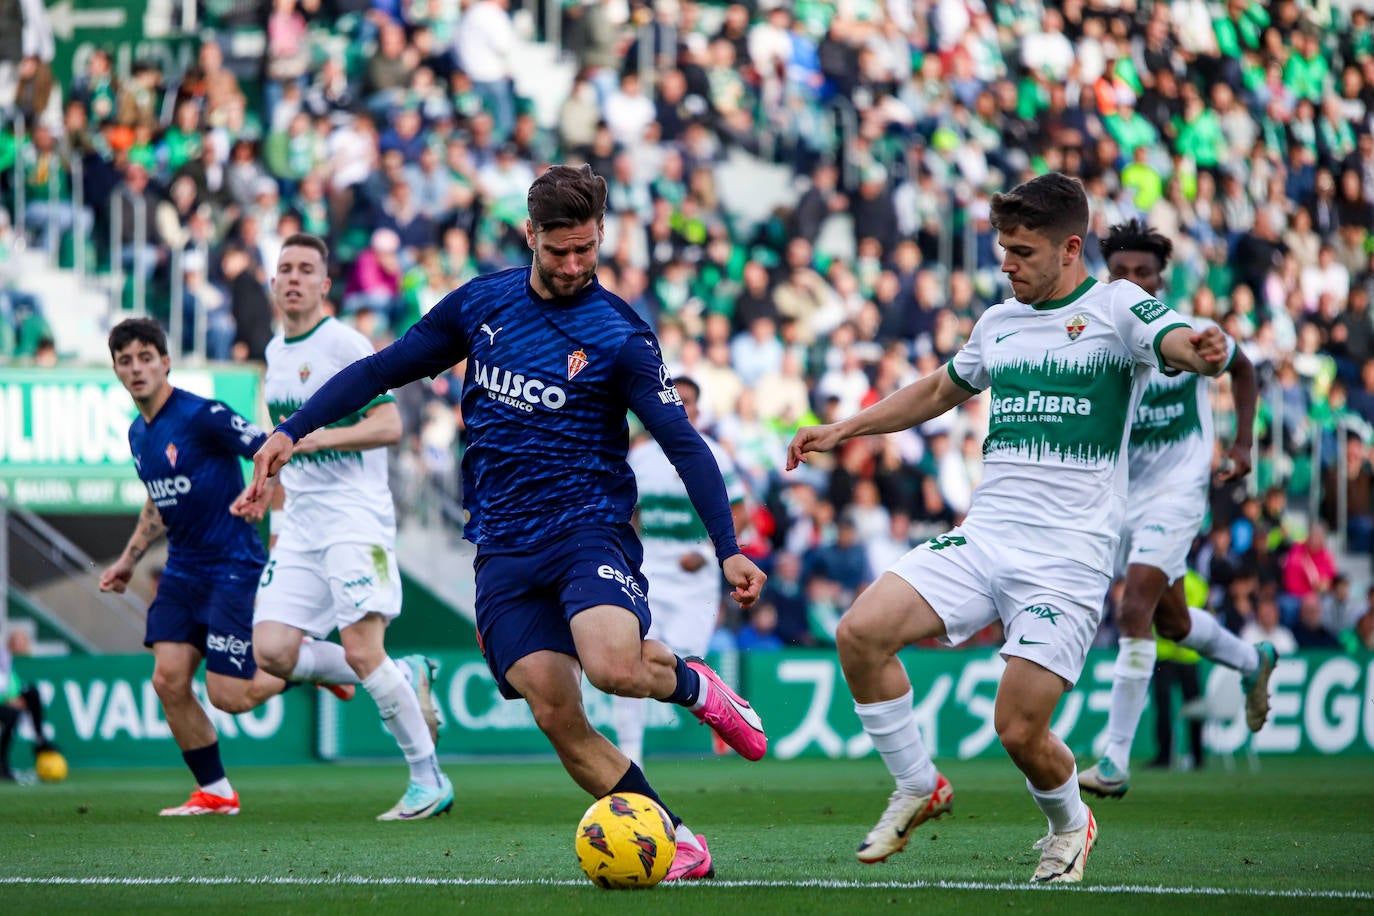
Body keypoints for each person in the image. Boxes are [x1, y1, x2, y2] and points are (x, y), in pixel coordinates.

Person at [246, 165, 768, 880]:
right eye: (560, 251)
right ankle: (676, 839)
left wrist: (728, 548)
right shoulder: (482, 304)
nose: (576, 265)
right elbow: (383, 369)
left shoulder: (619, 334)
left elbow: (684, 444)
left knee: (614, 666)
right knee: (558, 715)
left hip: (587, 528)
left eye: (588, 249)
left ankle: (695, 687)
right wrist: (293, 430)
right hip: (500, 545)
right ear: (531, 236)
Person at [786, 173, 1229, 884]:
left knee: (1019, 731)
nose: (1007, 263)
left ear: (1071, 248)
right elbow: (936, 390)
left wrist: (1205, 350)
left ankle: (1070, 823)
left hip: (1068, 560)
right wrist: (846, 427)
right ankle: (917, 783)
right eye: (1004, 249)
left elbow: (1174, 339)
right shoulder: (999, 321)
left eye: (1022, 251)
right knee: (859, 633)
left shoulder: (1118, 307)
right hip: (986, 536)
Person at [230, 233, 451, 821]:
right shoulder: (275, 355)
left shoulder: (343, 343)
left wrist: (325, 433)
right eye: (285, 269)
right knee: (272, 649)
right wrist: (264, 491)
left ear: (326, 284)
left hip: (356, 517)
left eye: (306, 269)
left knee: (359, 649)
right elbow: (281, 446)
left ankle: (428, 779)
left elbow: (387, 426)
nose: (294, 278)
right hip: (300, 523)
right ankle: (401, 675)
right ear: (273, 284)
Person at [1078, 220, 1278, 800]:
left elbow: (1240, 368)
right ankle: (1251, 659)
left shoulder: (1187, 333)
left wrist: (1242, 446)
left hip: (1178, 489)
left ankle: (1114, 760)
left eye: (1143, 273)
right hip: (1122, 495)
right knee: (1174, 622)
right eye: (1121, 273)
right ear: (1106, 277)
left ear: (1162, 279)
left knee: (1134, 605)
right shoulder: (1098, 336)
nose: (1133, 282)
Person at [98, 318, 327, 815]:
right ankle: (217, 792)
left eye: (144, 357)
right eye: (125, 360)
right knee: (168, 680)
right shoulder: (139, 434)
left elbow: (271, 449)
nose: (136, 368)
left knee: (229, 695)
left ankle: (300, 662)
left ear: (165, 361)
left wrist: (264, 491)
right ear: (115, 370)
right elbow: (157, 503)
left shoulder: (203, 415)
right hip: (181, 571)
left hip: (231, 566)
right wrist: (127, 560)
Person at [614, 375, 750, 766]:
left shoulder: (712, 453)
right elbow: (631, 513)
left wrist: (710, 554)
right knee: (631, 661)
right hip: (649, 573)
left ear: (698, 409)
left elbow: (737, 509)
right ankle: (630, 757)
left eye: (689, 401)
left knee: (688, 663)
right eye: (677, 399)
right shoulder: (640, 457)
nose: (682, 407)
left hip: (694, 580)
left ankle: (722, 708)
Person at [0, 627, 61, 781]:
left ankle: (40, 738)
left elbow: (9, 681)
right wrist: (6, 699)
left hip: (6, 697)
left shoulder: (4, 656)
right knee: (10, 714)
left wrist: (12, 697)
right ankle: (2, 762)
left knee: (32, 693)